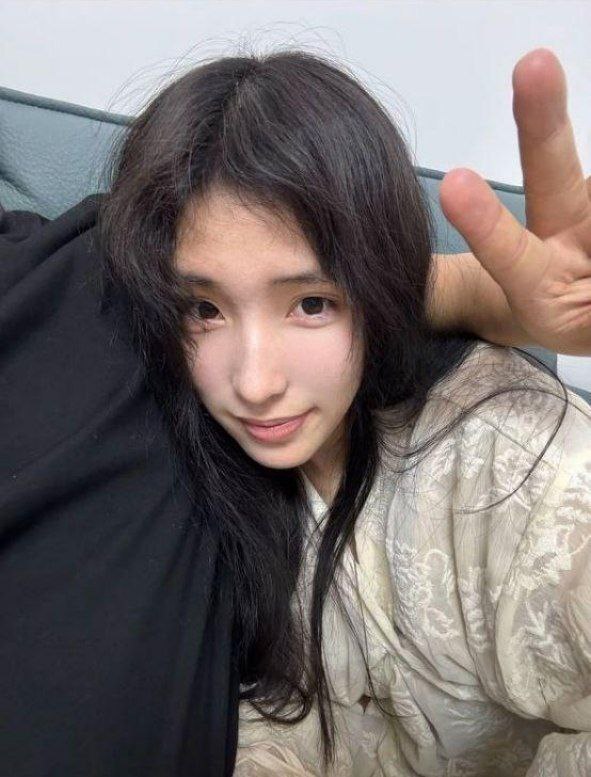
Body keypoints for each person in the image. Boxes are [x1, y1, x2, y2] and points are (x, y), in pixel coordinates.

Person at [0, 46, 588, 777]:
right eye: (202, 310)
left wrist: (488, 296)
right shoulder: (207, 480)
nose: (254, 382)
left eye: (310, 303)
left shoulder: (517, 466)